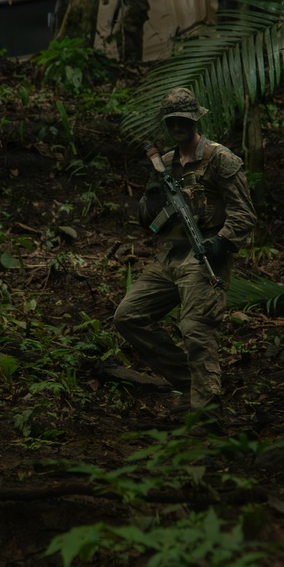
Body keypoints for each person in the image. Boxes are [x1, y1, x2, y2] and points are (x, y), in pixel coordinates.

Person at [114, 87, 256, 417]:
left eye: (183, 121)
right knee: (127, 316)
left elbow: (245, 212)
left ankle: (206, 415)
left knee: (195, 327)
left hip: (206, 254)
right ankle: (193, 383)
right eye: (172, 122)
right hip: (170, 256)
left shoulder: (220, 158)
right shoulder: (164, 164)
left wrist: (222, 241)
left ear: (195, 120)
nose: (178, 127)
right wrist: (149, 200)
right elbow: (149, 223)